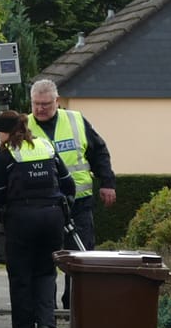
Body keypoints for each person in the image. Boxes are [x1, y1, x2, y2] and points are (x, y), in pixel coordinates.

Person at [0, 109, 77, 328]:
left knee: (21, 276)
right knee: (46, 272)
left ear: (4, 132)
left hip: (22, 219)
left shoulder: (6, 155)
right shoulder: (45, 146)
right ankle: (46, 323)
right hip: (52, 217)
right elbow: (68, 183)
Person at [27, 79, 115, 307]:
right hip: (42, 204)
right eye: (36, 104)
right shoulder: (23, 126)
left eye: (45, 104)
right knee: (45, 258)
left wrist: (107, 182)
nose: (40, 109)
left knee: (79, 256)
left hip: (78, 202)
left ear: (57, 101)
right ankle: (47, 311)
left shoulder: (75, 120)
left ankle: (75, 306)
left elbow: (99, 152)